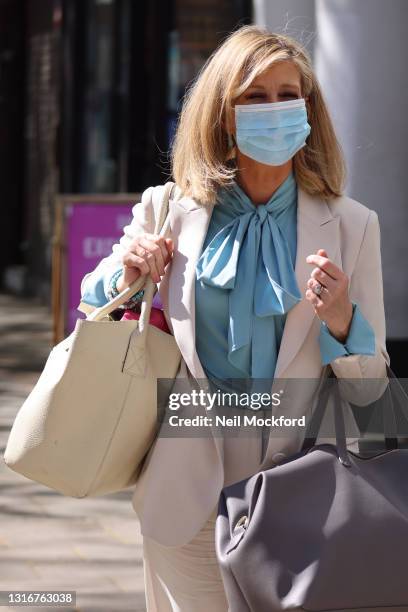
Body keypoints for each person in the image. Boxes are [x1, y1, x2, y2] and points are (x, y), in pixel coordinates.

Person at [78, 25, 389, 612]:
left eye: (286, 94)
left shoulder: (354, 226)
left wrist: (345, 322)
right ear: (224, 115)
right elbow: (95, 315)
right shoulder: (167, 210)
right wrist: (127, 275)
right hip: (185, 485)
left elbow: (374, 401)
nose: (275, 109)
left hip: (303, 496)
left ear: (308, 109)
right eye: (254, 96)